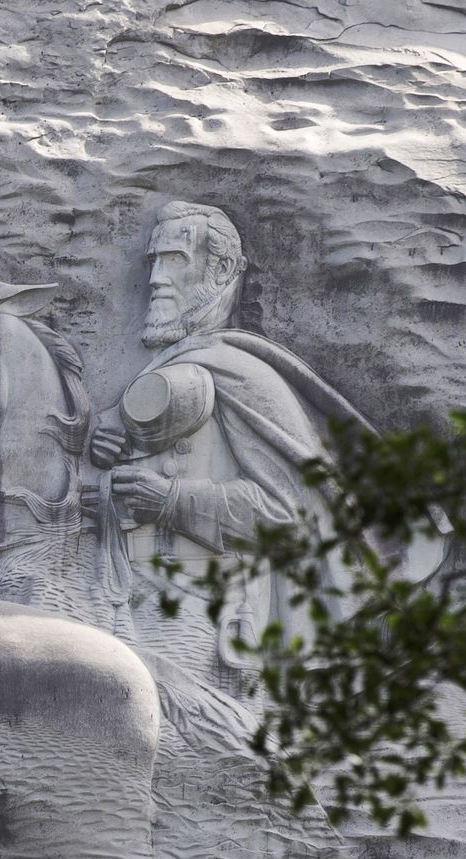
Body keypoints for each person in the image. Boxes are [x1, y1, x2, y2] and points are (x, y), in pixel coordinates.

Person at [87, 201, 371, 687]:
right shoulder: (162, 373)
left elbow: (288, 515)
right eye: (154, 261)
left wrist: (172, 500)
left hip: (204, 619)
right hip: (123, 602)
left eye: (174, 259)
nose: (156, 279)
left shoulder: (245, 376)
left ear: (220, 270)